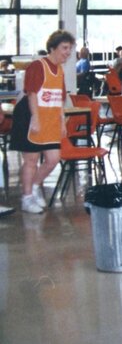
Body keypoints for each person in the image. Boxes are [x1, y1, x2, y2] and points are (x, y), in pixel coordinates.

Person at [10, 30, 75, 214]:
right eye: (64, 48)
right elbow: (32, 93)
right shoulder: (37, 66)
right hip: (30, 116)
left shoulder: (60, 70)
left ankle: (35, 186)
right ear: (52, 48)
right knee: (31, 160)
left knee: (53, 159)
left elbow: (60, 98)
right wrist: (35, 119)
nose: (67, 53)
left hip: (50, 118)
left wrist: (62, 122)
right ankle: (26, 198)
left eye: (69, 49)